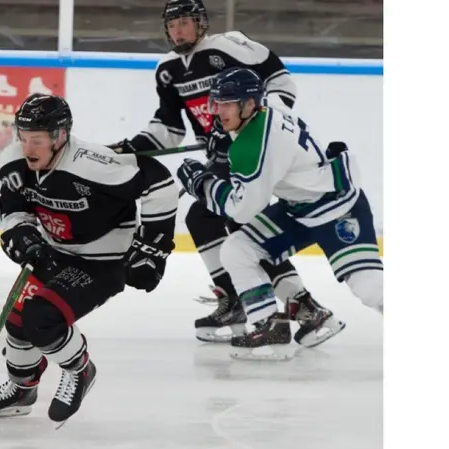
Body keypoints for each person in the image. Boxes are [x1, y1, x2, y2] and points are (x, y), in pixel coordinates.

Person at [107, 0, 343, 345]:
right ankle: (279, 303)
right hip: (222, 156)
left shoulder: (229, 46)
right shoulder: (167, 69)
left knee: (225, 219)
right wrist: (132, 147)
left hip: (251, 150)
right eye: (172, 25)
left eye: (185, 23)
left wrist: (260, 129)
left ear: (202, 22)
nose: (178, 31)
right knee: (213, 220)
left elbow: (281, 81)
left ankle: (289, 305)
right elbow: (169, 129)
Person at [0, 93, 179, 423]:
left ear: (60, 136)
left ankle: (80, 369)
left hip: (103, 260)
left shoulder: (93, 164)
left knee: (42, 319)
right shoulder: (12, 162)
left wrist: (153, 248)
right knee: (17, 322)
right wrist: (20, 235)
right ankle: (22, 390)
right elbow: (13, 212)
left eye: (36, 140)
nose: (27, 148)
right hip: (55, 253)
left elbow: (160, 183)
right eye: (23, 138)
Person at [177, 67, 383, 360]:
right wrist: (228, 138)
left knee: (369, 287)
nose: (218, 111)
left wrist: (202, 183)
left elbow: (243, 208)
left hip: (336, 207)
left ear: (249, 105)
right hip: (298, 207)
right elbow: (279, 99)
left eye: (227, 104)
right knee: (238, 249)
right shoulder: (268, 106)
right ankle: (270, 325)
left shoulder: (253, 147)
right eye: (217, 103)